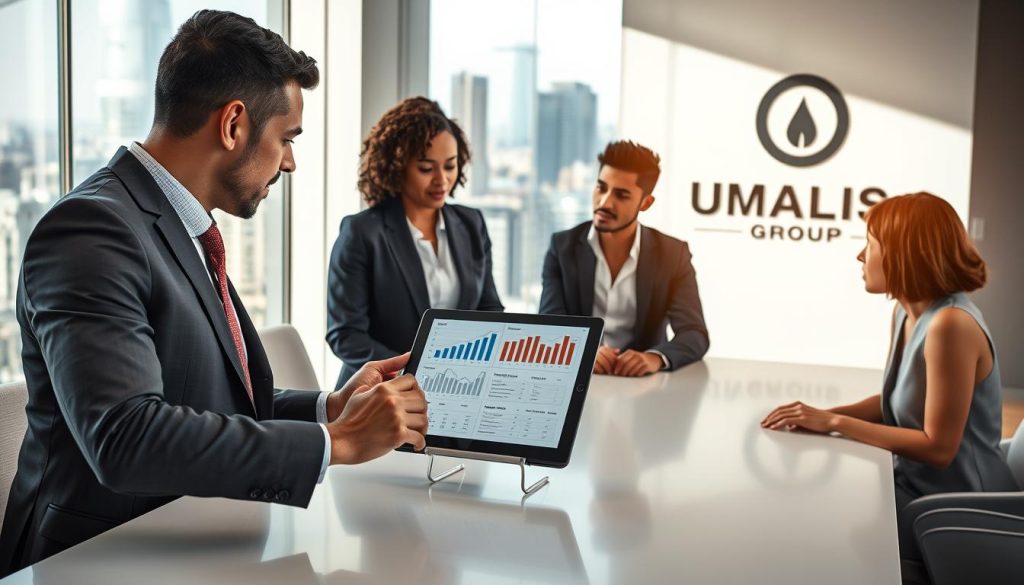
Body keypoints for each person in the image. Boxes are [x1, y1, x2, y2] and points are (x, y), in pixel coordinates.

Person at [0, 11, 427, 576]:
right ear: (233, 125)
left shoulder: (183, 224)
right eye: (287, 139)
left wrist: (330, 408)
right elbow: (125, 436)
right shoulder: (90, 230)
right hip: (103, 561)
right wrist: (334, 443)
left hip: (200, 540)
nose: (292, 162)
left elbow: (203, 401)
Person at [761, 192, 1018, 580]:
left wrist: (835, 424)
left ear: (904, 253)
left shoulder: (951, 325)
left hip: (958, 506)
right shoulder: (905, 312)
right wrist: (819, 415)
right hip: (916, 488)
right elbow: (892, 402)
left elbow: (939, 448)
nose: (861, 256)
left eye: (870, 244)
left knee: (813, 526)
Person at [326, 97, 504, 389]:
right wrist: (417, 370)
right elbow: (345, 335)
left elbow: (490, 311)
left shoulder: (471, 224)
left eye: (450, 166)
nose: (442, 180)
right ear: (397, 166)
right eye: (426, 168)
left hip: (458, 386)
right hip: (381, 391)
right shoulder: (361, 232)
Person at [539, 140, 709, 376]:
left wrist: (654, 358)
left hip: (641, 386)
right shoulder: (562, 247)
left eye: (621, 195)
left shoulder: (672, 254)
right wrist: (582, 352)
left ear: (645, 203)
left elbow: (694, 333)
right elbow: (549, 324)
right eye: (601, 187)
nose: (605, 202)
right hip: (580, 380)